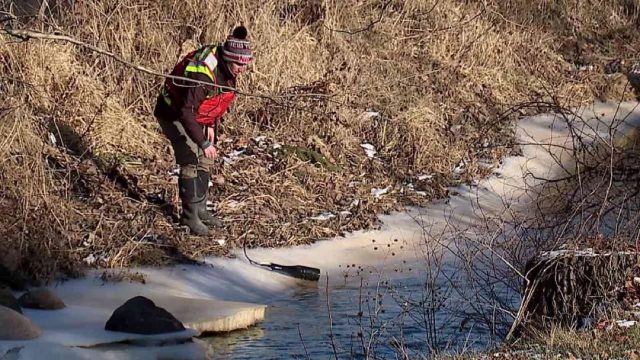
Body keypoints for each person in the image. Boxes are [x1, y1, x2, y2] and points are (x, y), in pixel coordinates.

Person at [154, 26, 252, 236]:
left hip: (196, 115)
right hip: (172, 112)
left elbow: (214, 101)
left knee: (206, 159)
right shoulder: (203, 74)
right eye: (238, 64)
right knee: (191, 157)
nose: (242, 69)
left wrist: (210, 126)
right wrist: (203, 143)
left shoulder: (227, 69)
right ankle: (190, 218)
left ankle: (200, 209)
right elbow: (185, 111)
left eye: (245, 64)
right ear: (227, 59)